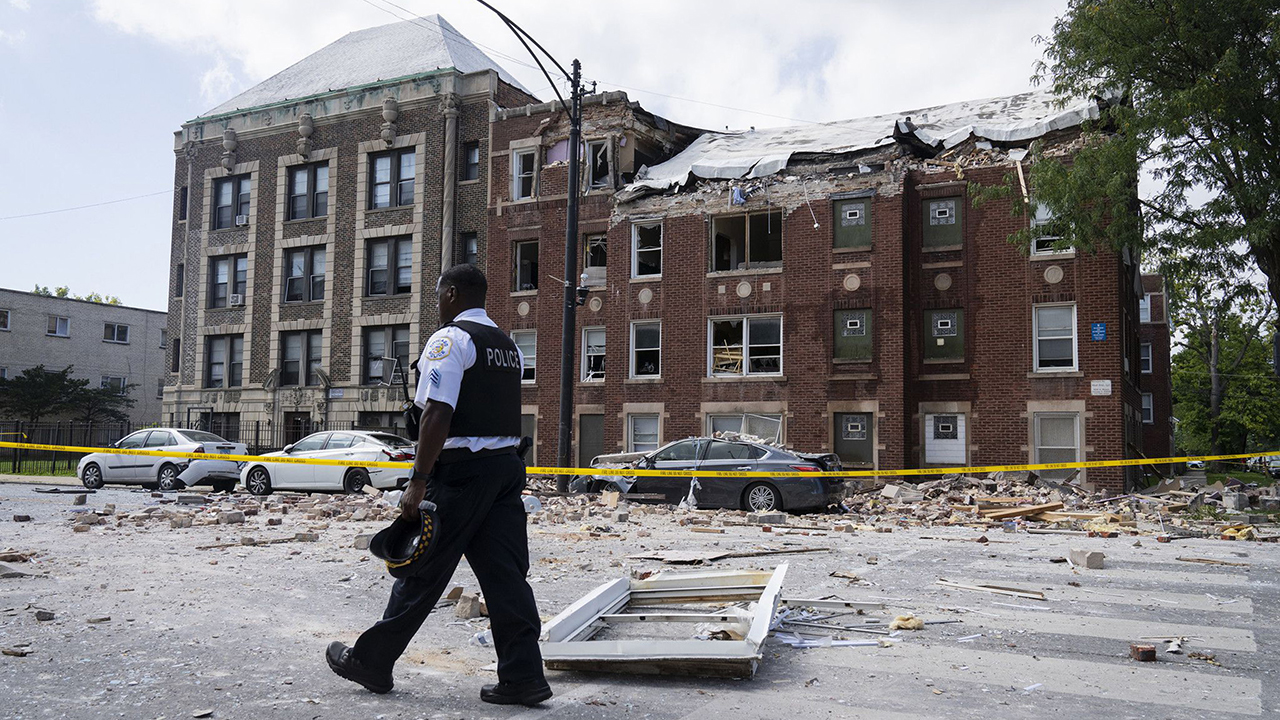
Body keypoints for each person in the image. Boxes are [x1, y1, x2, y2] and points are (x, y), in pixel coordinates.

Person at [326, 264, 551, 706]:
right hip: (505, 470)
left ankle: (371, 662)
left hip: (461, 474)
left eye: (436, 294)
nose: (435, 302)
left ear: (450, 293)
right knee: (508, 579)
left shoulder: (451, 340)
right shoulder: (508, 346)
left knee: (421, 567)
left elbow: (437, 413)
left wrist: (418, 481)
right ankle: (524, 676)